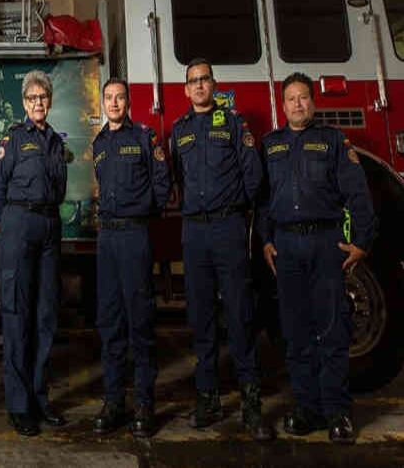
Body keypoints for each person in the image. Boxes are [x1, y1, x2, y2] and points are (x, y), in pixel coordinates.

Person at [258, 72, 376, 445]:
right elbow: (262, 201)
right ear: (283, 104)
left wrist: (362, 241)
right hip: (286, 247)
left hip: (326, 243)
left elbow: (357, 192)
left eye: (303, 98)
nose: (297, 104)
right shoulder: (271, 145)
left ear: (313, 102)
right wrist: (265, 241)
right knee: (296, 334)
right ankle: (307, 409)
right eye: (291, 98)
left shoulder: (332, 142)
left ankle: (337, 413)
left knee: (332, 331)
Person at [169, 58, 274, 442]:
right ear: (185, 90)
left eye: (204, 80)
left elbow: (254, 176)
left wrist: (233, 207)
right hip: (193, 232)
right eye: (192, 81)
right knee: (201, 319)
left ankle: (251, 406)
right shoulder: (178, 131)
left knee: (240, 314)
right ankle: (208, 399)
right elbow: (178, 176)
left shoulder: (233, 123)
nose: (198, 86)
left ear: (214, 85)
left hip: (229, 228)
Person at [90, 78, 170, 438]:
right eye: (109, 98)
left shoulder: (144, 137)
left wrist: (142, 212)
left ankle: (144, 403)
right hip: (107, 237)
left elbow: (162, 183)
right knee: (110, 322)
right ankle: (114, 402)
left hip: (135, 234)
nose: (114, 103)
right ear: (103, 102)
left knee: (140, 321)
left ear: (128, 101)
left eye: (120, 97)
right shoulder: (100, 143)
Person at [0, 69, 68, 437]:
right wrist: (9, 225)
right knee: (18, 314)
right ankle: (19, 406)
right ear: (24, 103)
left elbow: (60, 187)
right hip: (19, 223)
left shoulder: (55, 141)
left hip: (50, 227)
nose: (39, 103)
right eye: (32, 98)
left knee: (45, 315)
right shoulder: (15, 137)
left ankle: (39, 398)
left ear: (49, 101)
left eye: (43, 97)